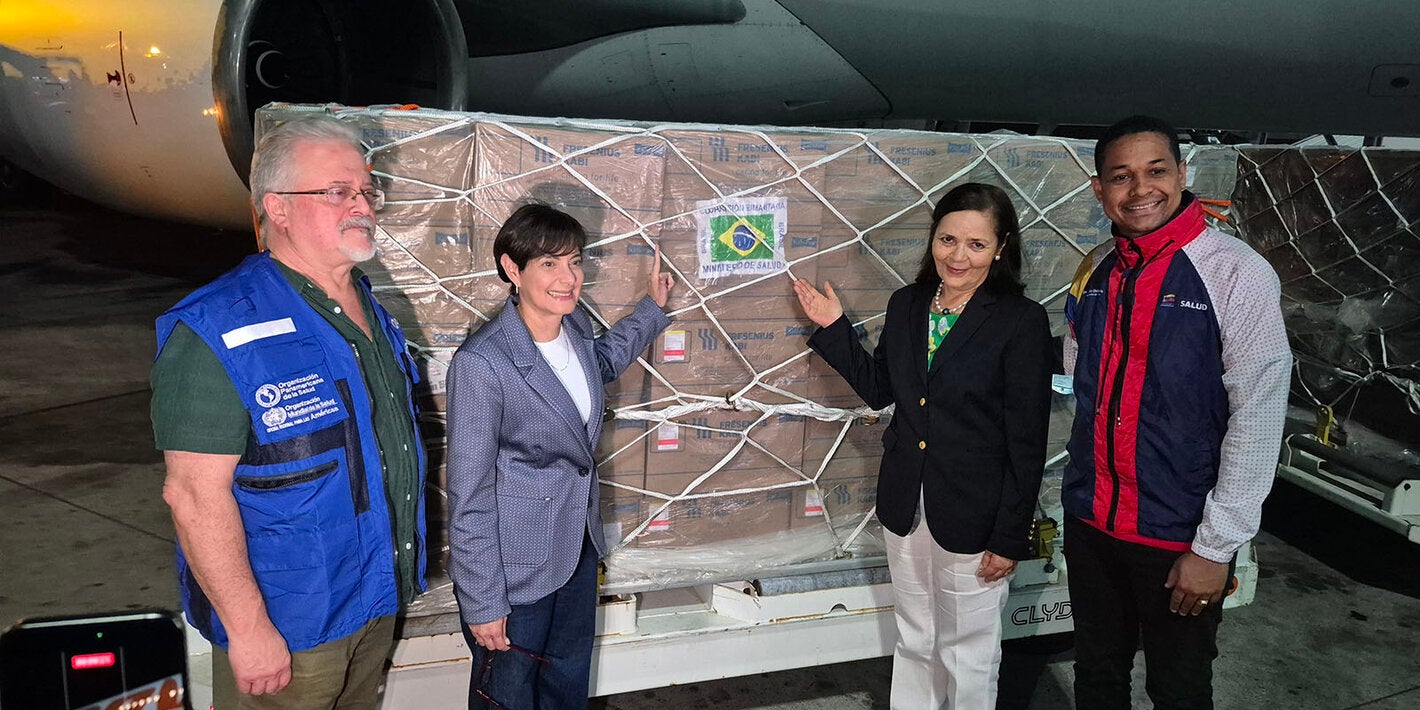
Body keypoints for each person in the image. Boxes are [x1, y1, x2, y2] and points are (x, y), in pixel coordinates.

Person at [152, 115, 427, 708]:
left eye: (367, 190)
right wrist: (250, 630)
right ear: (277, 207)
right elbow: (194, 496)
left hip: (373, 602)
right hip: (289, 631)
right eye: (337, 191)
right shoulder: (219, 327)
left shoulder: (369, 312)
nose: (362, 206)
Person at [792, 183, 1053, 709]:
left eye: (976, 245)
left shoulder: (1019, 320)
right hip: (906, 501)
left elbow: (1027, 441)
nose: (958, 256)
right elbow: (881, 389)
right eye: (947, 239)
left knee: (968, 651)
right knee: (915, 638)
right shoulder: (908, 304)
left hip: (975, 514)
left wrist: (1009, 538)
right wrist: (834, 328)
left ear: (1001, 248)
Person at [1062, 115, 1291, 709]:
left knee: (1179, 690)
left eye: (1156, 171)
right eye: (1121, 176)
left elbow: (1258, 417)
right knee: (1097, 677)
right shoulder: (1095, 269)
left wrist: (1215, 547)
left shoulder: (1235, 272)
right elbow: (1080, 383)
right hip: (1092, 523)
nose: (1140, 189)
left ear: (1182, 174)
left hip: (1179, 535)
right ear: (1099, 189)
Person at [446, 203, 674, 709]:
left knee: (566, 689)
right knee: (507, 696)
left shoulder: (574, 330)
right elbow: (469, 493)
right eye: (549, 263)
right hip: (516, 571)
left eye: (574, 261)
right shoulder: (483, 363)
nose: (568, 278)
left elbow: (602, 363)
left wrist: (650, 311)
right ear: (512, 269)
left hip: (576, 550)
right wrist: (483, 600)